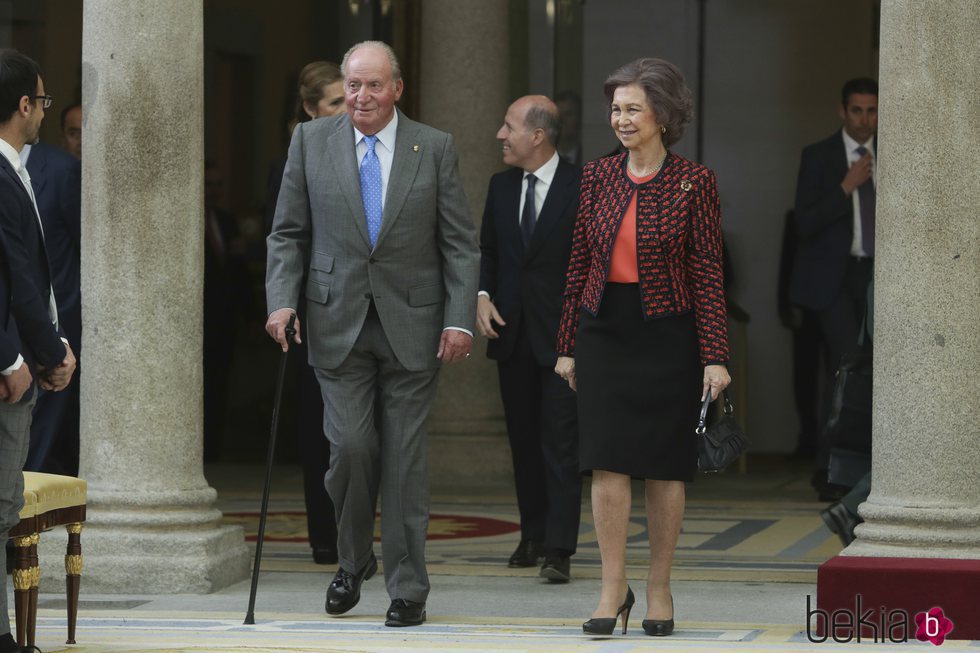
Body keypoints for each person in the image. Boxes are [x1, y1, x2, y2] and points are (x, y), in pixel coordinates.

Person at [265, 41, 479, 628]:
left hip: (414, 325)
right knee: (352, 450)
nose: (361, 96)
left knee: (405, 462)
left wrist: (460, 317)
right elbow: (287, 233)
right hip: (335, 323)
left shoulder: (432, 147)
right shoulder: (310, 142)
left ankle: (408, 588)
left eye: (373, 86)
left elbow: (459, 242)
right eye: (352, 85)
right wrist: (281, 301)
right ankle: (354, 559)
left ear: (397, 88)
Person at [554, 58, 729, 637]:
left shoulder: (694, 181)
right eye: (616, 109)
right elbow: (578, 263)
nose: (620, 119)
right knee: (606, 462)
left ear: (663, 115)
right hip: (603, 331)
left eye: (632, 108)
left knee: (664, 468)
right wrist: (567, 345)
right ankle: (611, 587)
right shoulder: (597, 177)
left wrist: (715, 355)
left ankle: (658, 587)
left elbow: (707, 272)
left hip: (667, 335)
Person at [477, 95, 581, 582]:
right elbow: (489, 252)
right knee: (522, 440)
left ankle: (559, 548)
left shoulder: (583, 185)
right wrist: (481, 294)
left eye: (508, 126)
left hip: (565, 341)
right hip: (511, 334)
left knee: (560, 443)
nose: (501, 135)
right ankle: (532, 533)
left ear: (537, 136)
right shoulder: (500, 187)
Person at [0, 48, 78, 653]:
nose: (44, 114)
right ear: (23, 105)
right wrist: (30, 360)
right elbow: (15, 280)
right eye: (43, 102)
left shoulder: (17, 168)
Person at [266, 60, 346, 565]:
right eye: (336, 102)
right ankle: (326, 536)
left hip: (358, 310)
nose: (347, 109)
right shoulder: (292, 161)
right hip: (310, 313)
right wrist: (286, 304)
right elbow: (286, 239)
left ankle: (354, 530)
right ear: (310, 109)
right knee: (317, 425)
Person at [789, 78, 878, 498]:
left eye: (871, 111)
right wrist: (847, 185)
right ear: (843, 112)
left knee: (879, 372)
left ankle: (872, 470)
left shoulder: (894, 152)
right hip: (833, 280)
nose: (864, 119)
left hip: (879, 276)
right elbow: (804, 222)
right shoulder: (819, 156)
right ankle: (830, 470)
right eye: (857, 110)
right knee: (845, 367)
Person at [21, 138, 82, 475]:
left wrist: (59, 341)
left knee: (34, 460)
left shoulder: (62, 171)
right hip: (10, 335)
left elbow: (82, 250)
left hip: (53, 336)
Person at [202, 160, 250, 462]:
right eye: (209, 185)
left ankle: (216, 451)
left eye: (219, 185)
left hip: (224, 322)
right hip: (197, 323)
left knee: (220, 388)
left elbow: (239, 272)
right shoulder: (185, 222)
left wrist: (252, 316)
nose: (214, 191)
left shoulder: (228, 221)